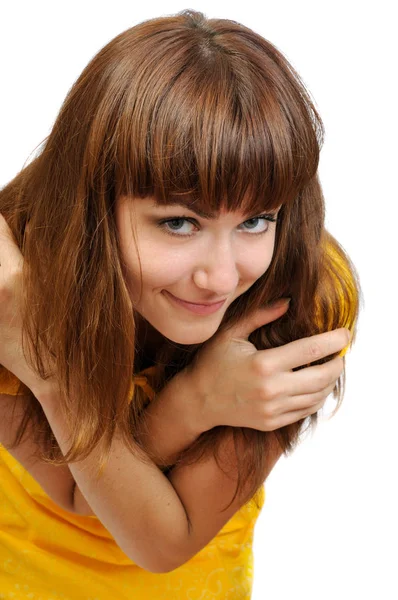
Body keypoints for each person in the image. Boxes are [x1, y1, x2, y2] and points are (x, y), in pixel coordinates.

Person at [0, 9, 360, 599]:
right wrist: (195, 404)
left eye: (256, 220)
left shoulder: (302, 295)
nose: (220, 277)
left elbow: (167, 541)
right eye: (178, 222)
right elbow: (74, 496)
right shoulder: (17, 280)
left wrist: (191, 402)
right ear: (94, 204)